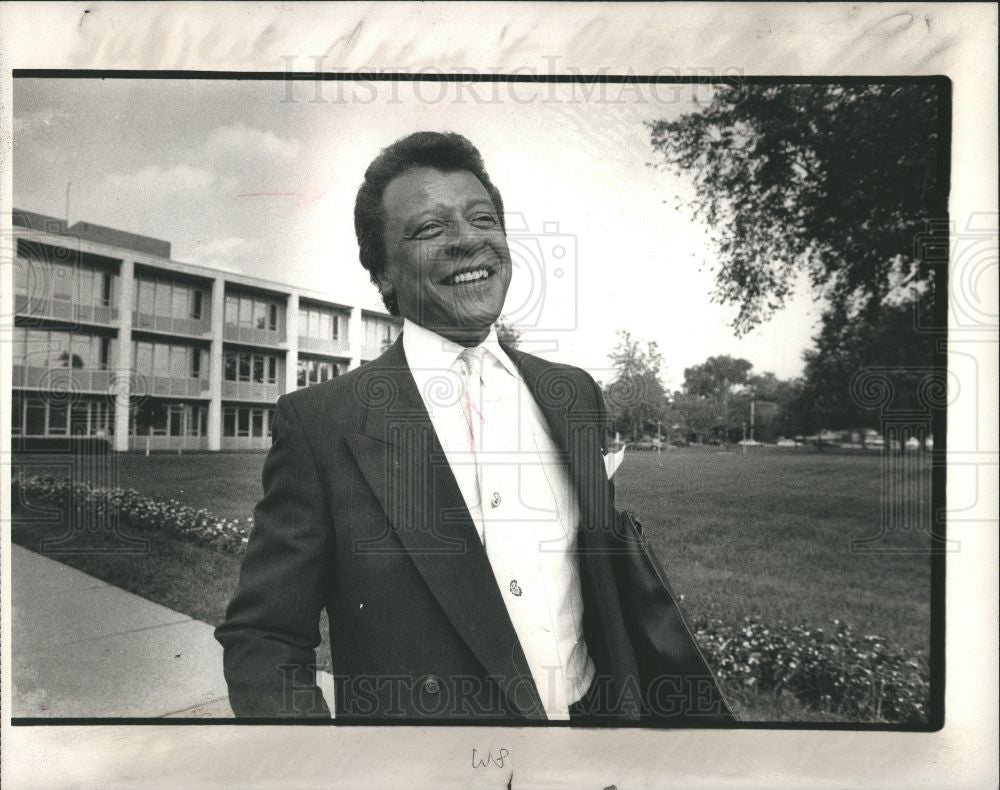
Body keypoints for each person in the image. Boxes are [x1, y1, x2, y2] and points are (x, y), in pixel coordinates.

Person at [215, 131, 733, 724]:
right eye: (431, 229)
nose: (468, 240)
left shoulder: (573, 396)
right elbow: (266, 636)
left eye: (483, 219)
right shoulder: (322, 423)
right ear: (382, 273)